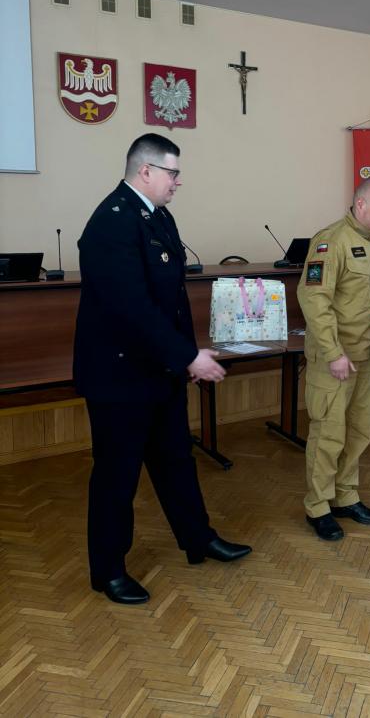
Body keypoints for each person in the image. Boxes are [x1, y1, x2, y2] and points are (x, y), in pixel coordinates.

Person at [74, 133, 251, 605]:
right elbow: (131, 307)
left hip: (160, 370)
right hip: (118, 376)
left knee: (175, 459)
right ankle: (108, 571)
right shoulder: (111, 222)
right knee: (117, 476)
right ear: (146, 171)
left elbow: (172, 302)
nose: (178, 182)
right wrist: (188, 357)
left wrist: (183, 356)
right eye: (172, 173)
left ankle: (197, 538)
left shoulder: (159, 216)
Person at [297, 178, 370, 541]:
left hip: (364, 355)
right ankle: (318, 506)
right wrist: (333, 352)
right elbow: (313, 300)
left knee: (359, 429)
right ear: (361, 205)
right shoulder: (330, 242)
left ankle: (345, 496)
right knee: (328, 433)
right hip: (333, 359)